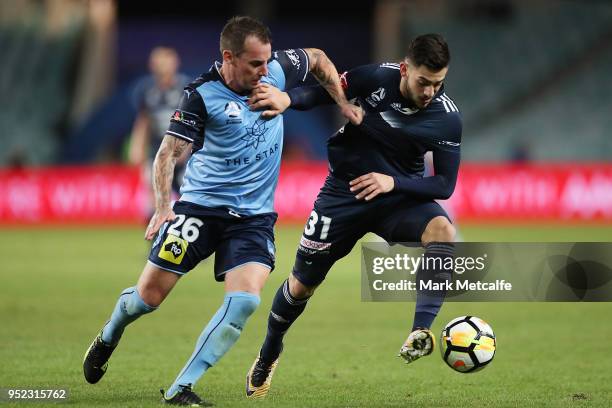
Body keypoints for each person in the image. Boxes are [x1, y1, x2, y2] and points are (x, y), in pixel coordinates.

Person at [82, 16, 361, 407]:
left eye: (267, 62)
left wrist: (343, 102)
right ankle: (110, 332)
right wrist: (164, 206)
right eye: (254, 64)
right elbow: (167, 153)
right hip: (199, 211)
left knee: (245, 301)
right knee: (147, 298)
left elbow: (317, 58)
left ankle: (182, 388)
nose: (265, 72)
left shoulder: (276, 71)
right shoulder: (200, 95)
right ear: (228, 57)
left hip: (254, 218)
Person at [244, 33, 461, 398]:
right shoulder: (376, 78)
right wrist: (287, 98)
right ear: (406, 70)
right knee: (301, 285)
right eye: (423, 82)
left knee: (443, 230)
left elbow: (444, 184)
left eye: (438, 84)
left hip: (397, 196)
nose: (429, 92)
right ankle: (269, 351)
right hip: (343, 194)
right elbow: (324, 91)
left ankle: (419, 330)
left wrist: (392, 183)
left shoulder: (446, 119)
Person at [129, 47, 190, 214]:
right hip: (156, 152)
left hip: (183, 155)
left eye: (165, 62)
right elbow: (143, 121)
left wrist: (185, 150)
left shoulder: (186, 88)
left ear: (175, 63)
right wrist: (137, 147)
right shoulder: (146, 90)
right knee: (154, 194)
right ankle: (156, 236)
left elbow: (196, 123)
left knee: (188, 195)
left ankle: (188, 233)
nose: (161, 66)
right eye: (157, 62)